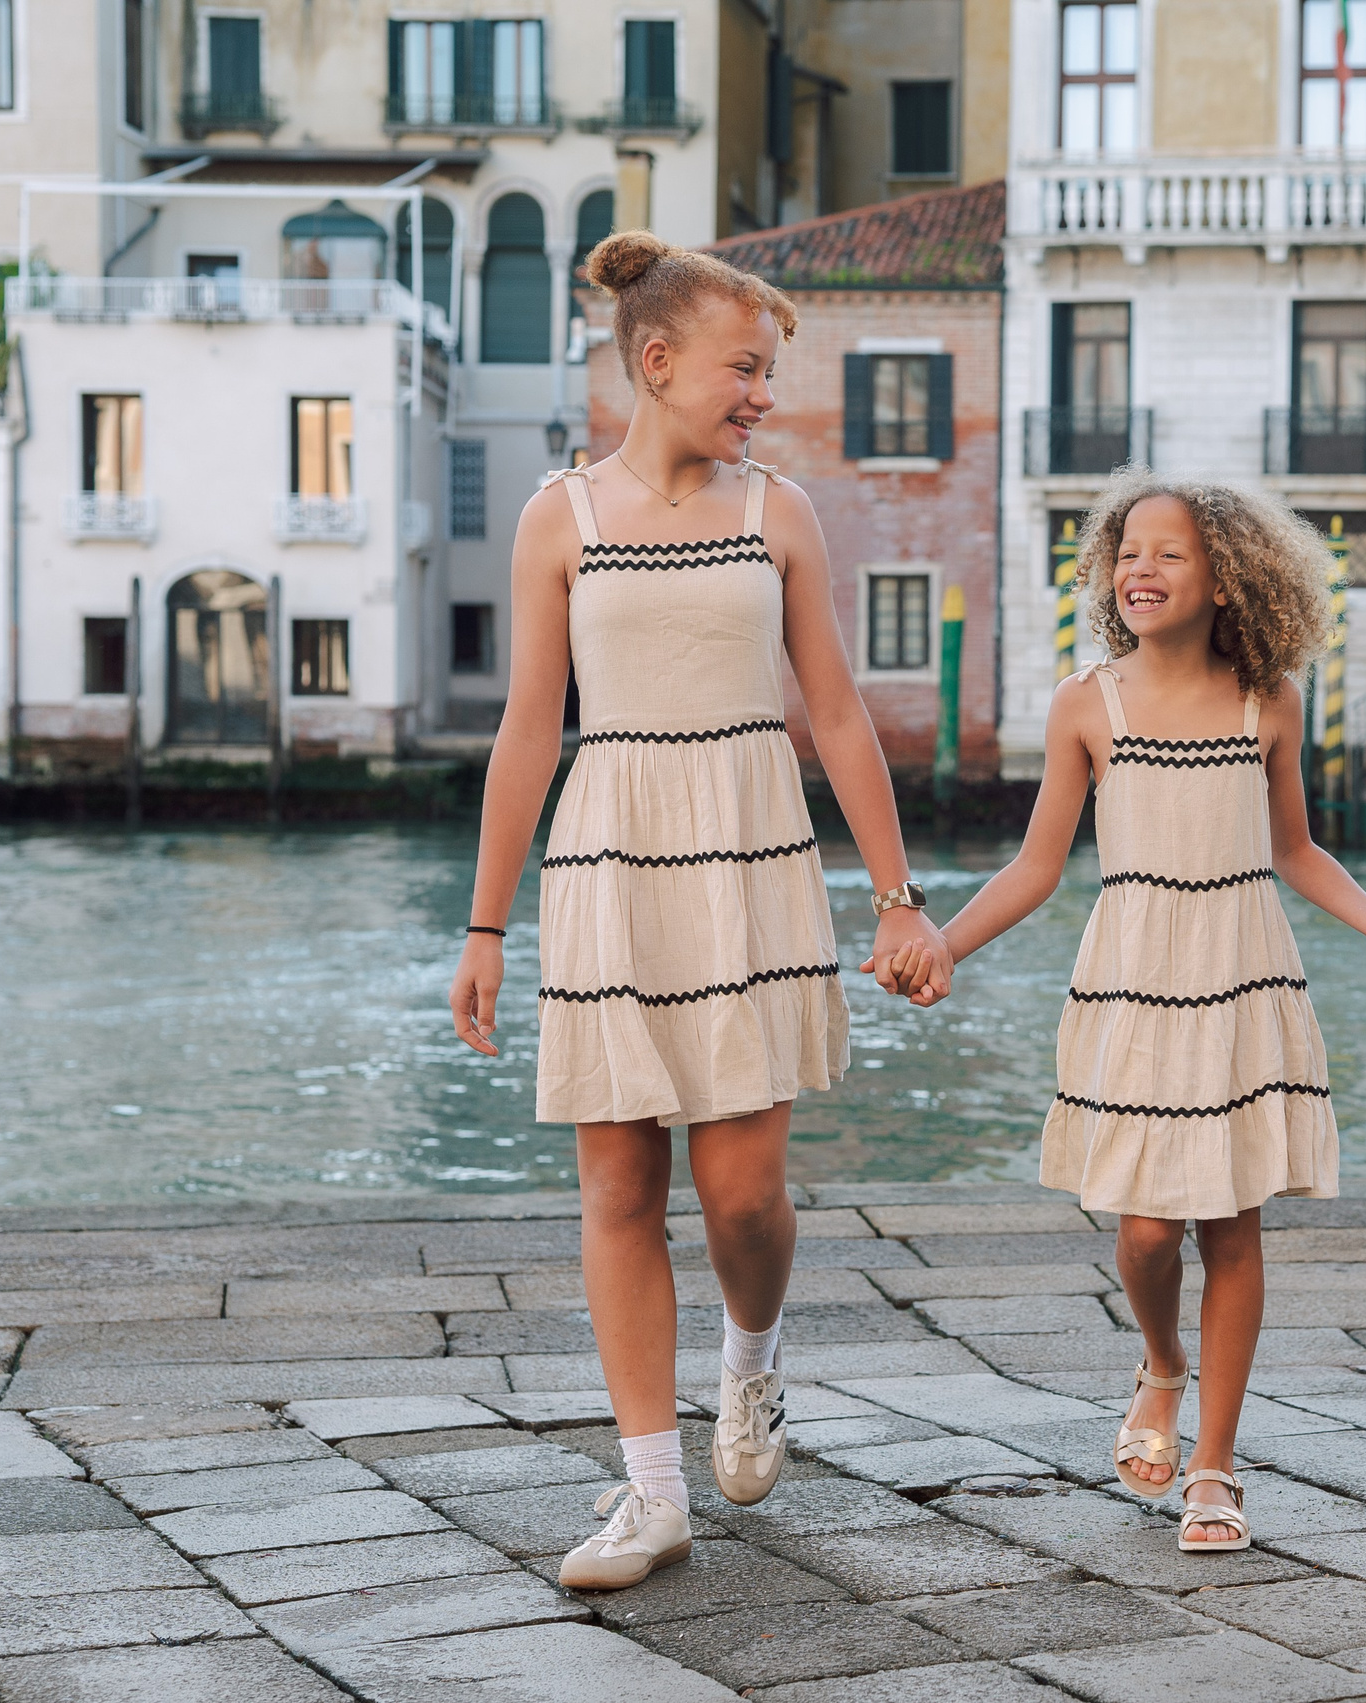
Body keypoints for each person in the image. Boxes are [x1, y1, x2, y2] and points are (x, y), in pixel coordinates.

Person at [447, 230, 949, 1590]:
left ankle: (752, 1359)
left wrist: (898, 900)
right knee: (618, 1185)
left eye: (767, 371)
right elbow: (527, 731)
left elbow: (834, 710)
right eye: (746, 368)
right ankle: (652, 1490)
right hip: (608, 862)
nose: (763, 395)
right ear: (658, 362)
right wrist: (485, 926)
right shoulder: (559, 518)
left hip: (748, 857)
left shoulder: (779, 512)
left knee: (742, 1194)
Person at [885, 474, 1366, 1551]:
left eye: (1169, 553)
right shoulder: (1086, 703)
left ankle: (1216, 1465)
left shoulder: (1268, 700)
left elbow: (1294, 850)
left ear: (1228, 578)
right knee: (1145, 1232)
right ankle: (1162, 1361)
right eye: (1127, 551)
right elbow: (1037, 866)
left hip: (1241, 973)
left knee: (1232, 1221)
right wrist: (943, 942)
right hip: (1134, 980)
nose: (1139, 568)